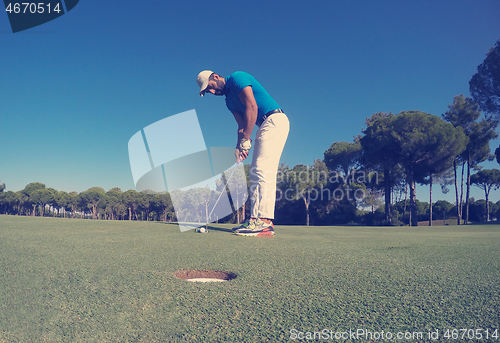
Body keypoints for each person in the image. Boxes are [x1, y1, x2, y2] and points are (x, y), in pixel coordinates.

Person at [197, 70, 289, 237]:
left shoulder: (237, 78)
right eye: (208, 92)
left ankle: (265, 222)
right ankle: (255, 218)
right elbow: (241, 125)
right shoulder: (228, 102)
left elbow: (252, 107)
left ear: (216, 77)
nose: (212, 92)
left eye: (210, 87)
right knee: (255, 172)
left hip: (275, 120)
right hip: (263, 126)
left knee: (263, 169)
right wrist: (240, 145)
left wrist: (246, 139)